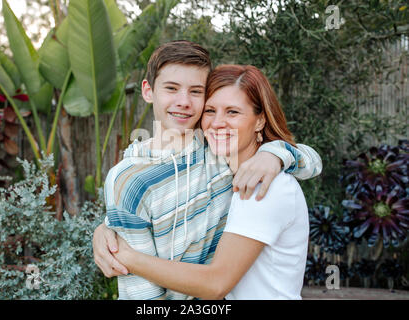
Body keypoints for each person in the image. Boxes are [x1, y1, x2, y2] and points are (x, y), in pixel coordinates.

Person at [93, 41, 322, 300]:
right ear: (148, 91)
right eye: (211, 111)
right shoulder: (215, 159)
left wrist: (275, 154)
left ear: (260, 120)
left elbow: (216, 284)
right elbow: (141, 293)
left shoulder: (257, 180)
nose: (184, 102)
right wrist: (106, 227)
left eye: (196, 92)